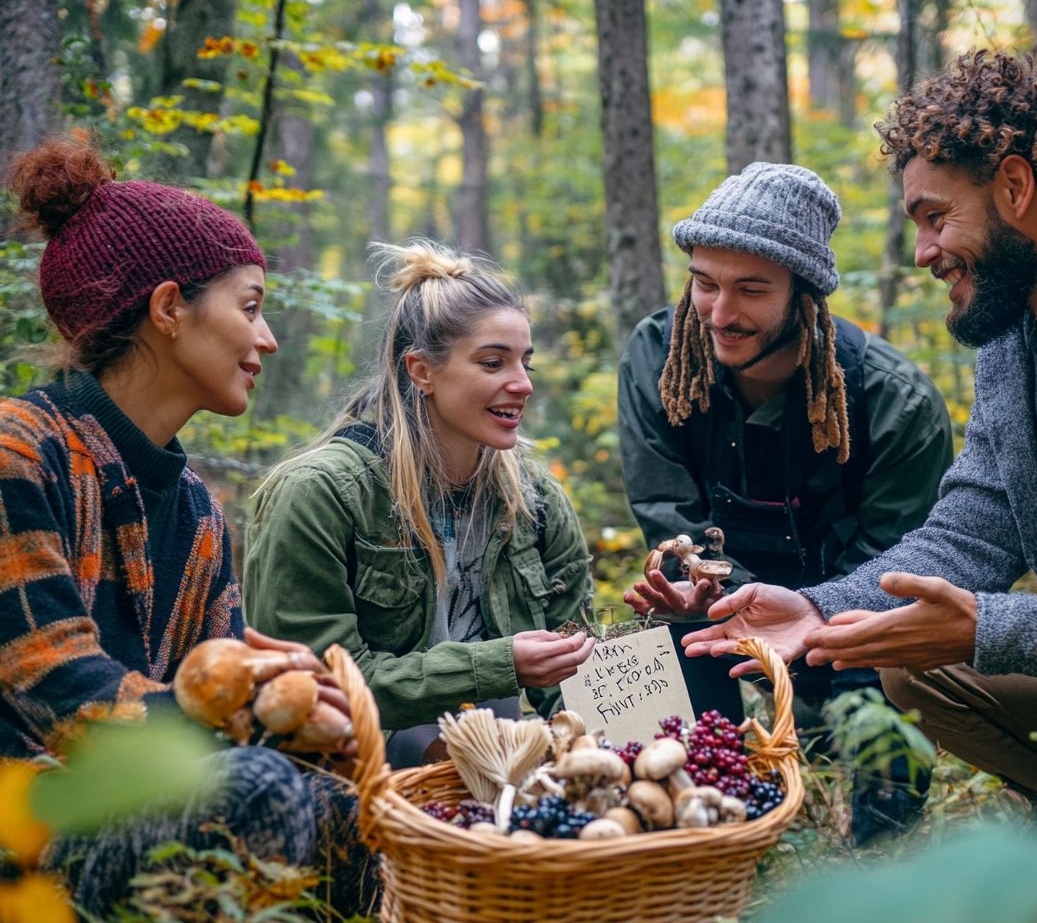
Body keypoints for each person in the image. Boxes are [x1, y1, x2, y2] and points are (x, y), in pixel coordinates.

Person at [681, 48, 1037, 805]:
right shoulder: (1013, 336)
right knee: (916, 663)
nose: (923, 252)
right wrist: (820, 606)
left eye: (936, 217)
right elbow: (970, 531)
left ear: (1014, 185)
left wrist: (987, 627)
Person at [0, 136, 375, 915]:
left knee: (359, 812)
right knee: (256, 789)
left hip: (145, 810)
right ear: (170, 308)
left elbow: (224, 697)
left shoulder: (198, 508)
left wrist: (296, 710)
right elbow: (63, 696)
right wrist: (230, 715)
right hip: (31, 830)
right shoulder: (17, 452)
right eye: (250, 307)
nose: (266, 339)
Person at [618, 161, 953, 840]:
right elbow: (668, 517)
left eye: (750, 289)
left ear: (805, 296)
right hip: (717, 608)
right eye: (704, 283)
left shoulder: (893, 402)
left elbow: (898, 570)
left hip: (851, 627)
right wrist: (728, 602)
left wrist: (805, 628)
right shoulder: (658, 359)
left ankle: (876, 860)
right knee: (652, 636)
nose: (719, 311)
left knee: (890, 665)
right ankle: (709, 834)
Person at [243, 240, 596, 768]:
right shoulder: (320, 493)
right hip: (352, 776)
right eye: (493, 362)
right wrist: (499, 665)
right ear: (421, 371)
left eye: (526, 362)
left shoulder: (535, 497)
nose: (521, 384)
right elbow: (312, 687)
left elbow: (581, 674)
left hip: (503, 771)